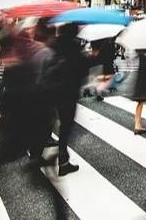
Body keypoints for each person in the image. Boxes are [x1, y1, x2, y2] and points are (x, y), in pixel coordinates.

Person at [47, 22, 95, 176]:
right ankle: (63, 160)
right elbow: (83, 71)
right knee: (65, 127)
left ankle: (36, 155)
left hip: (51, 90)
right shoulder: (75, 48)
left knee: (49, 122)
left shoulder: (52, 45)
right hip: (69, 92)